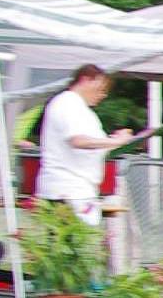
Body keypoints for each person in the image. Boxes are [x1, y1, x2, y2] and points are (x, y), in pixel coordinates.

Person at [35, 64, 136, 226]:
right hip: (69, 192)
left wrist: (113, 141)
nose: (103, 95)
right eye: (101, 88)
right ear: (85, 80)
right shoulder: (68, 103)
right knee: (79, 245)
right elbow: (78, 140)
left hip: (74, 191)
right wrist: (114, 141)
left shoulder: (79, 108)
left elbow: (88, 142)